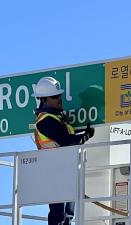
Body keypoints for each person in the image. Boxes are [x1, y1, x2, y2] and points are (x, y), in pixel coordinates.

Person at [32, 76, 95, 225]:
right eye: (55, 96)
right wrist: (85, 136)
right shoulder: (45, 120)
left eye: (59, 95)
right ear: (44, 100)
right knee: (59, 214)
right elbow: (66, 141)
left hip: (65, 170)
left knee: (67, 215)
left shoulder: (56, 119)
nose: (59, 99)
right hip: (54, 171)